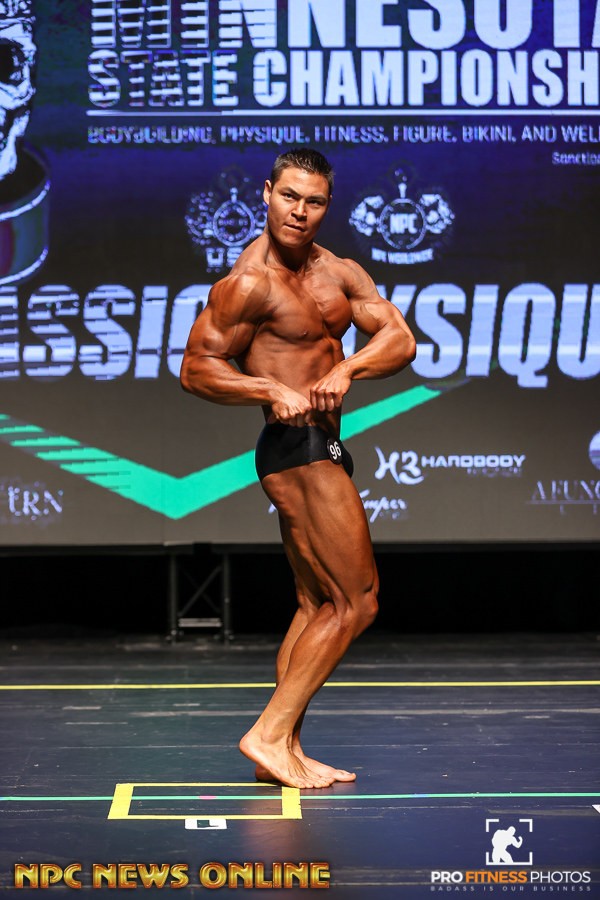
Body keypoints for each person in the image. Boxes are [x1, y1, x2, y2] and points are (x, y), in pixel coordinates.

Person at [180, 148, 416, 789]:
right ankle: (267, 734)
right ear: (266, 193)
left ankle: (284, 748)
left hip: (320, 444)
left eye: (313, 201)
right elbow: (196, 369)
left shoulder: (340, 272)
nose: (299, 211)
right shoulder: (249, 284)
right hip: (295, 449)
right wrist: (266, 388)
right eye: (289, 196)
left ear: (327, 205)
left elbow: (399, 338)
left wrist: (348, 368)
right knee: (357, 602)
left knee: (315, 604)